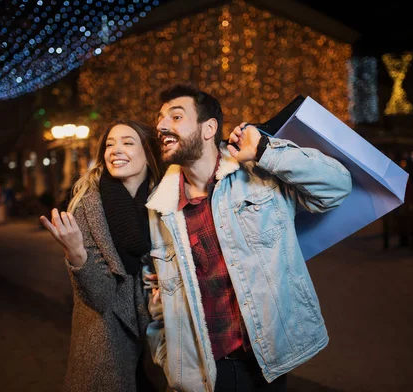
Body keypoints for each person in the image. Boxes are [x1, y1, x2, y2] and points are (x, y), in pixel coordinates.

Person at [144, 84, 353, 391]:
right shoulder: (160, 207)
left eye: (176, 117)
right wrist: (166, 354)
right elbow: (154, 288)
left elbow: (336, 187)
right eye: (160, 119)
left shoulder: (258, 174)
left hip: (265, 364)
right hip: (200, 372)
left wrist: (266, 150)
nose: (161, 126)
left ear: (208, 128)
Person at [39, 120, 166, 392]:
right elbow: (101, 296)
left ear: (148, 153)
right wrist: (76, 253)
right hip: (106, 342)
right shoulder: (86, 206)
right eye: (109, 144)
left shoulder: (166, 204)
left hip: (160, 339)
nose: (115, 150)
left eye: (127, 142)